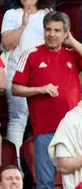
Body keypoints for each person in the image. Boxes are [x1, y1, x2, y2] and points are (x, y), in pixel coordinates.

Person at [11, 11, 82, 189]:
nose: (51, 34)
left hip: (73, 129)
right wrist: (40, 89)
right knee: (45, 184)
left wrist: (73, 42)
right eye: (48, 29)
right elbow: (15, 88)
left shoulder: (71, 53)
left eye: (57, 30)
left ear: (65, 33)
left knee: (79, 180)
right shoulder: (31, 54)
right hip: (45, 130)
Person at [2, 0, 53, 149]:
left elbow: (57, 45)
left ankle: (44, 165)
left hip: (43, 73)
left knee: (46, 121)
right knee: (18, 119)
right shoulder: (11, 14)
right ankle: (15, 167)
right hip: (16, 71)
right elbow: (7, 44)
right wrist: (23, 25)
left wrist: (52, 24)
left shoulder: (47, 15)